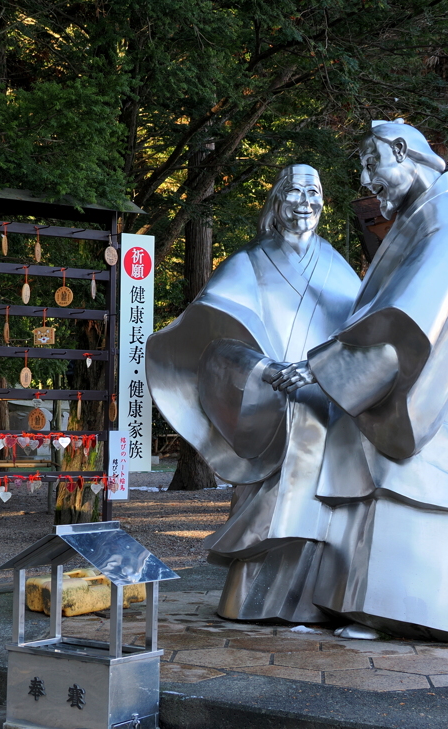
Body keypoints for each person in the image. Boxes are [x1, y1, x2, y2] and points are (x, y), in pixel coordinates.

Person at [267, 120, 448, 641]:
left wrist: (322, 365)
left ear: (403, 151)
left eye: (372, 163)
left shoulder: (444, 223)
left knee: (409, 498)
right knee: (383, 497)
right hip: (418, 392)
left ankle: (400, 611)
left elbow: (406, 316)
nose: (365, 177)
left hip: (428, 395)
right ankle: (373, 607)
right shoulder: (426, 217)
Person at [147, 164, 360, 622]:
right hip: (267, 407)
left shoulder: (337, 267)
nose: (305, 201)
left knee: (323, 505)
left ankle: (321, 599)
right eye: (295, 191)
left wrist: (321, 372)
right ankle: (255, 599)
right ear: (277, 202)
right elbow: (212, 334)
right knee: (271, 501)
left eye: (314, 192)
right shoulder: (248, 263)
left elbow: (359, 335)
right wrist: (263, 369)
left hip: (323, 404)